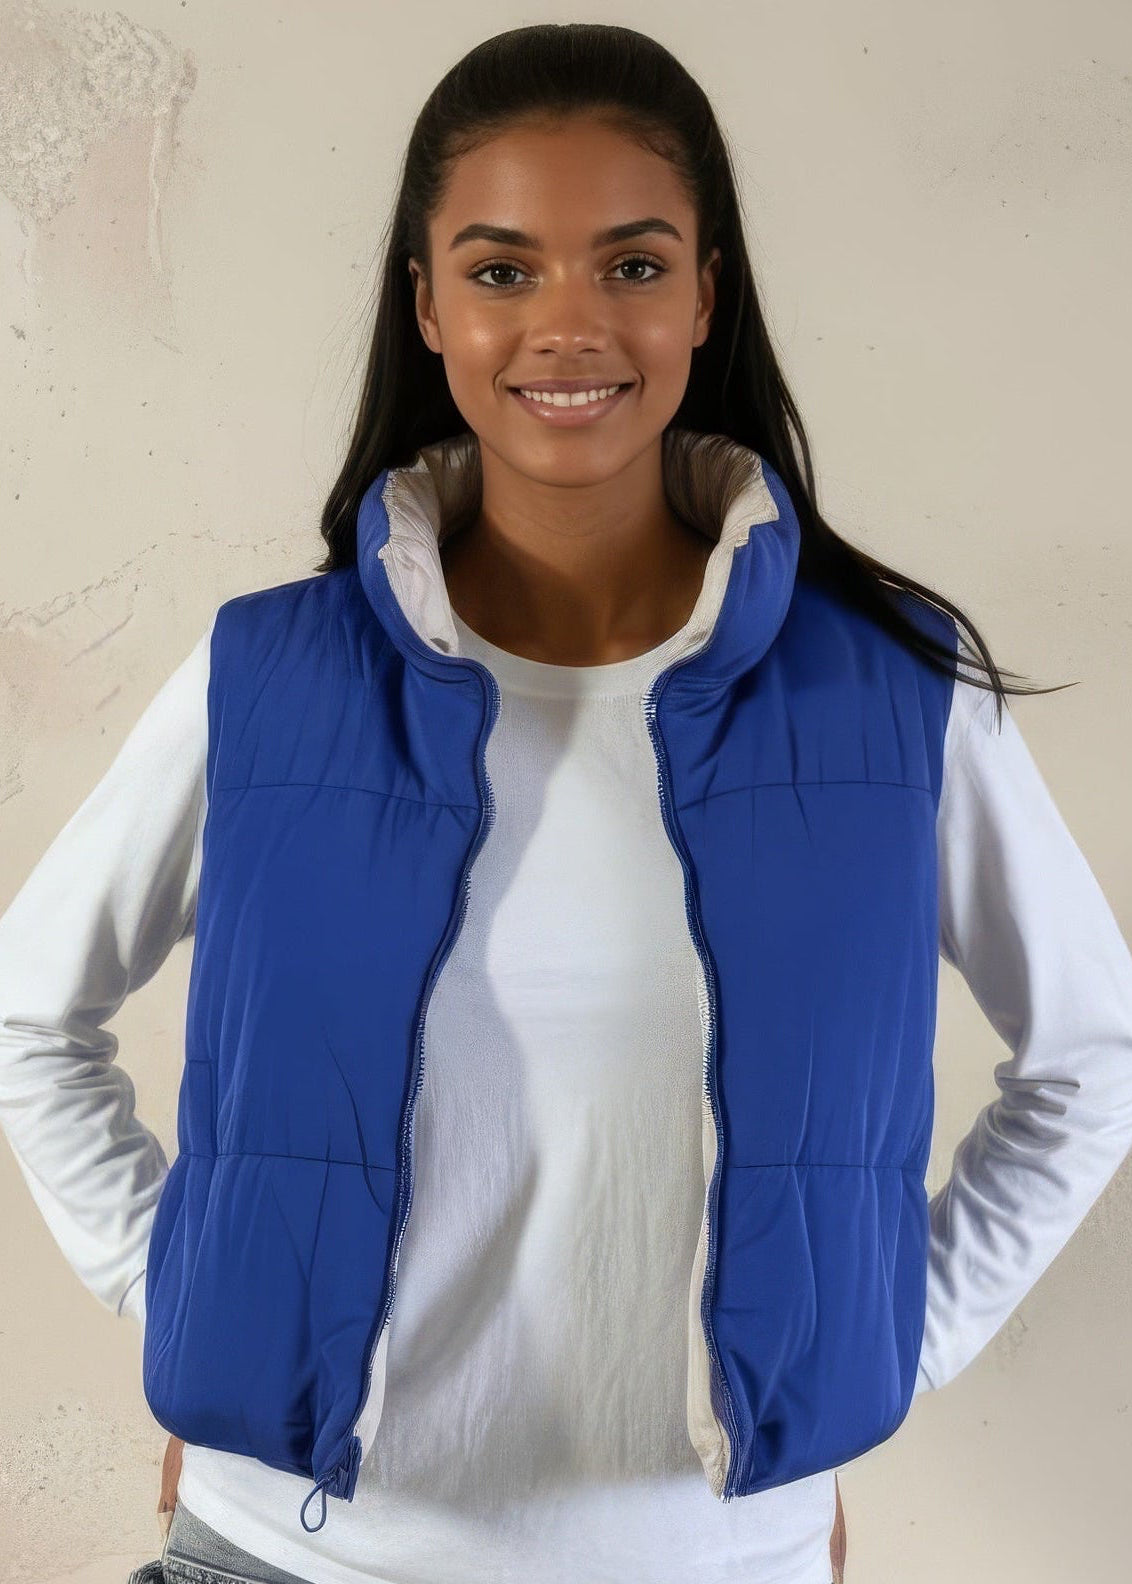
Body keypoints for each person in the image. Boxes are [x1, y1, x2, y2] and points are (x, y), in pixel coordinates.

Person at [2, 22, 1131, 1584]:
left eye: (634, 264)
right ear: (429, 306)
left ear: (706, 294)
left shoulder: (887, 690)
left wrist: (877, 1348)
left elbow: (1092, 1053)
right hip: (284, 1557)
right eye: (503, 268)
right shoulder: (271, 677)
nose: (570, 327)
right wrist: (201, 1303)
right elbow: (25, 1012)